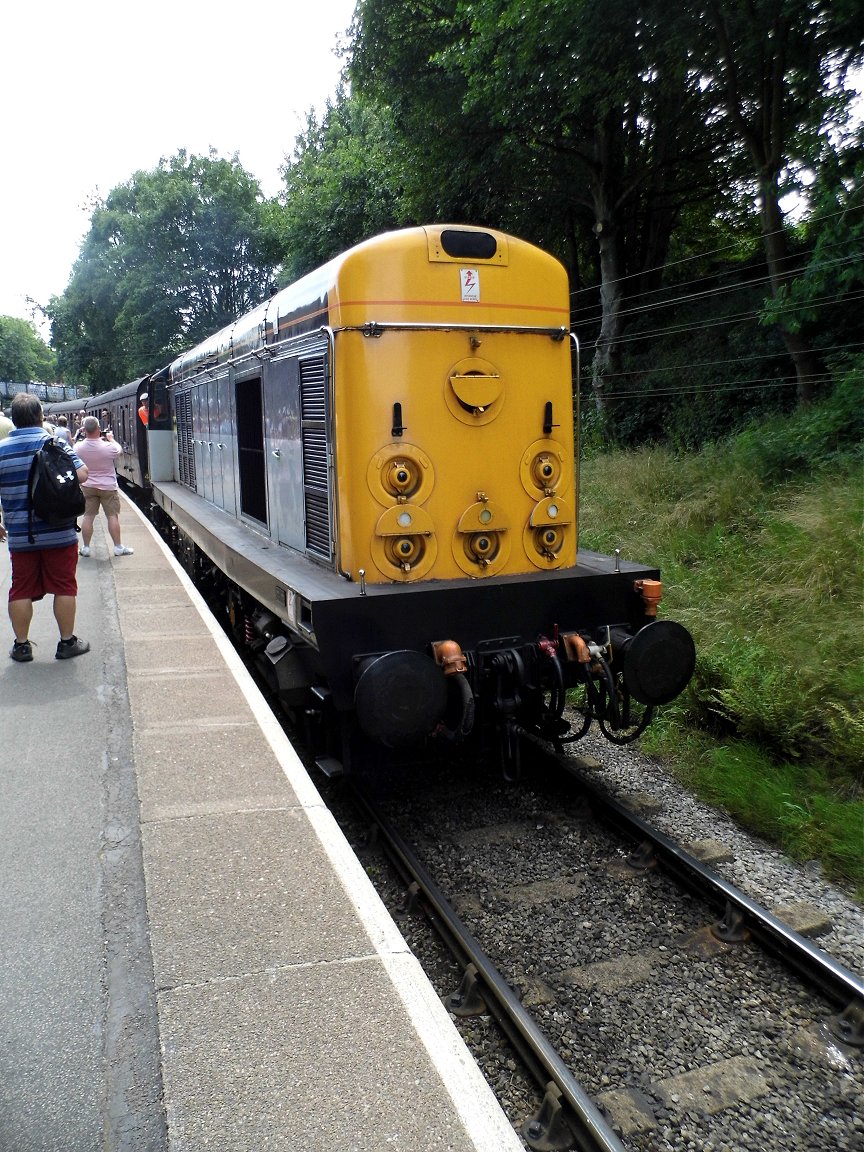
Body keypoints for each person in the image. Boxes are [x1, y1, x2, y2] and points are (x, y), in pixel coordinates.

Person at [0, 391, 90, 662]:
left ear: (14, 420)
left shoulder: (1, 450)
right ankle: (66, 643)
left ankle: (22, 646)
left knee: (20, 588)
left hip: (20, 535)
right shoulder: (55, 444)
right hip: (59, 531)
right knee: (64, 586)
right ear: (40, 416)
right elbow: (83, 473)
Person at [74, 416, 134, 558]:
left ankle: (86, 548)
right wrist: (111, 438)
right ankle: (118, 547)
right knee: (112, 516)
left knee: (88, 516)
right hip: (108, 487)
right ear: (99, 429)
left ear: (84, 430)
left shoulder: (78, 447)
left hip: (88, 486)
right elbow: (119, 450)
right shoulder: (108, 447)